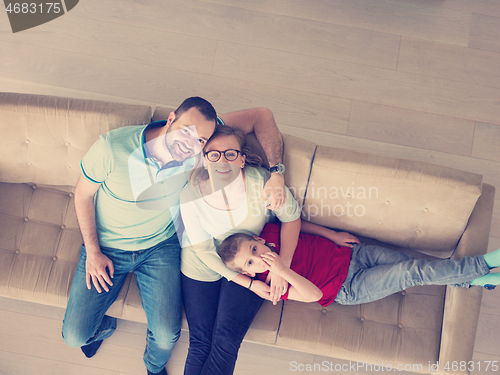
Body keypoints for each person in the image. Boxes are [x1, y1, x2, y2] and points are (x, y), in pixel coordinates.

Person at [61, 97, 286, 375]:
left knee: (168, 335)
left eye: (200, 140)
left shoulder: (202, 147)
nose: (190, 143)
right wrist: (94, 251)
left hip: (160, 247)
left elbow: (262, 114)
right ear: (170, 119)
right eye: (186, 130)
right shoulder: (112, 147)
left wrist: (277, 173)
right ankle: (103, 326)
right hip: (106, 247)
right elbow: (82, 195)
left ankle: (153, 368)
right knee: (74, 337)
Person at [179, 125, 301, 375]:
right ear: (205, 160)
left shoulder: (264, 184)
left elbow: (291, 218)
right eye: (214, 154)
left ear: (242, 159)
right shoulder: (190, 194)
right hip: (203, 263)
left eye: (230, 154)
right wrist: (248, 284)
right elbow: (202, 249)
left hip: (249, 260)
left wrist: (281, 267)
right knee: (200, 342)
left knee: (225, 341)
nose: (222, 161)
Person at [218, 221, 500, 307]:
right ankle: (486, 262)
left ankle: (472, 280)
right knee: (411, 271)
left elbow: (301, 223)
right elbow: (315, 295)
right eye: (251, 263)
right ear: (248, 272)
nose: (259, 258)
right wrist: (281, 271)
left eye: (254, 249)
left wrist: (334, 235)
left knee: (415, 265)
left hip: (354, 254)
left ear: (258, 239)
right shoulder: (272, 284)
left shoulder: (271, 232)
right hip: (348, 287)